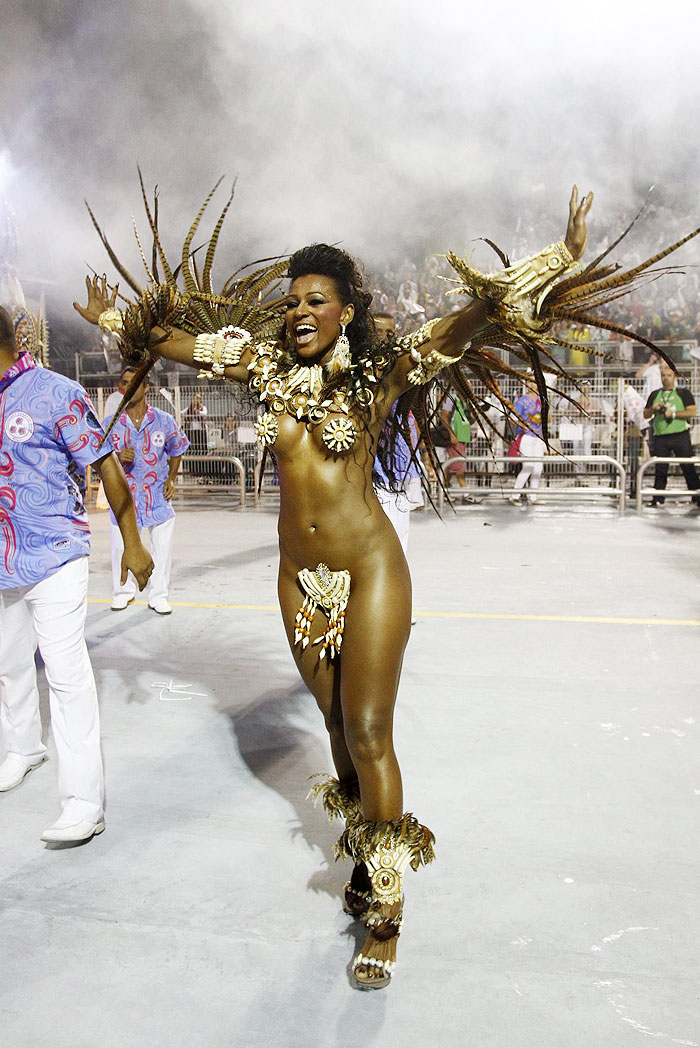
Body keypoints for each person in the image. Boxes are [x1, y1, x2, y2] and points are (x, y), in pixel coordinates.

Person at [76, 188, 592, 988]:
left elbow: (471, 321)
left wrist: (557, 257)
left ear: (347, 310)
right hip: (296, 580)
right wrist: (118, 324)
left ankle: (384, 912)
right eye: (291, 303)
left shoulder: (384, 371)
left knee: (371, 730)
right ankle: (363, 849)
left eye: (316, 300)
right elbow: (172, 343)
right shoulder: (261, 367)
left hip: (371, 568)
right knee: (336, 732)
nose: (299, 313)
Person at [0, 307, 153, 843]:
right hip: (1, 561)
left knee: (65, 676)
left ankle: (84, 801)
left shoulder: (55, 392)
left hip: (57, 553)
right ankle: (22, 747)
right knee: (8, 665)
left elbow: (107, 465)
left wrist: (132, 541)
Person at [105, 366, 190, 614]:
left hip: (158, 499)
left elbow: (177, 448)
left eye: (134, 382)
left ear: (146, 387)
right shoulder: (111, 424)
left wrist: (172, 479)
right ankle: (122, 591)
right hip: (123, 500)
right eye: (124, 382)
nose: (128, 387)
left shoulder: (164, 421)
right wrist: (118, 457)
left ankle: (159, 594)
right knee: (120, 547)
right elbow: (99, 459)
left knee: (162, 549)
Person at [643, 361, 700, 506]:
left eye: (669, 375)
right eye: (663, 375)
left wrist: (673, 414)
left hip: (679, 435)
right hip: (661, 435)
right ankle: (657, 498)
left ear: (674, 377)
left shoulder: (683, 393)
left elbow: (692, 411)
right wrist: (654, 408)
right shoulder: (655, 394)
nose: (665, 378)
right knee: (660, 468)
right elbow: (645, 414)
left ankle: (697, 496)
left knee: (687, 467)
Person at [510, 376, 546, 503]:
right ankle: (515, 495)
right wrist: (525, 425)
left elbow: (548, 419)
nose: (533, 384)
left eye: (535, 382)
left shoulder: (542, 400)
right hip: (526, 436)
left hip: (538, 437)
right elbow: (512, 418)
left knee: (538, 468)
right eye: (530, 381)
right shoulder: (522, 400)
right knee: (528, 466)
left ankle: (533, 496)